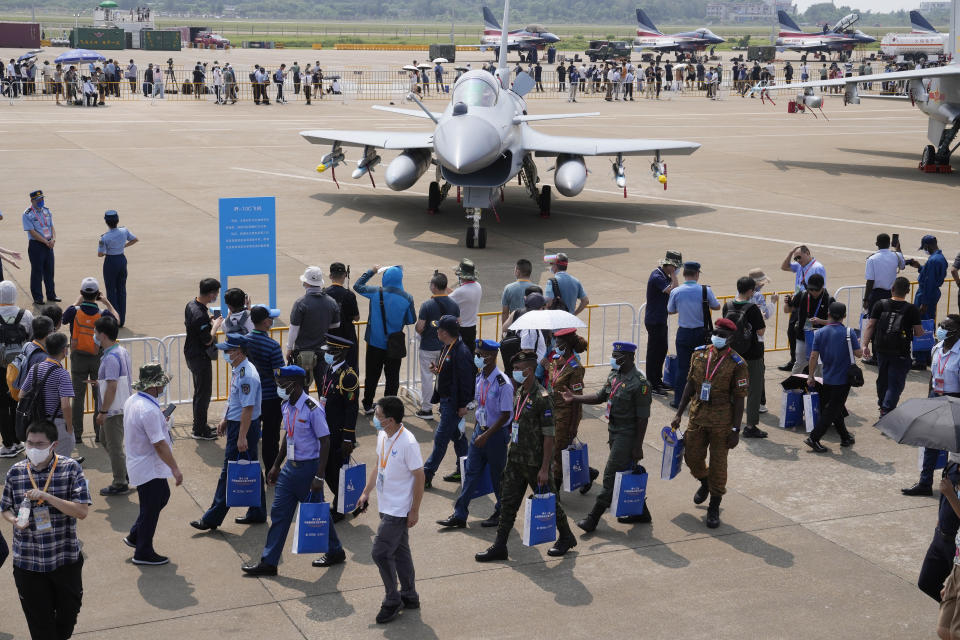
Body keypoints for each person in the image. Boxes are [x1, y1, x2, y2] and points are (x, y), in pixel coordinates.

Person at [242, 365, 346, 575]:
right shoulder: (286, 405)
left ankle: (335, 550)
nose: (279, 387)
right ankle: (269, 562)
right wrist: (276, 465)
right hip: (290, 469)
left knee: (316, 514)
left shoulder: (312, 408)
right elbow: (287, 437)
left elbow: (325, 442)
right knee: (279, 514)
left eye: (282, 384)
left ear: (295, 385)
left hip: (309, 470)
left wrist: (319, 475)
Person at [475, 351, 577, 561]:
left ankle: (566, 536)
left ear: (529, 370)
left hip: (535, 462)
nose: (515, 372)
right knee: (508, 502)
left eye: (518, 369)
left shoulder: (542, 398)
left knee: (550, 501)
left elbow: (549, 436)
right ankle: (500, 545)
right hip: (516, 460)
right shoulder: (520, 391)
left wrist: (544, 468)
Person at [1, 420, 91, 640]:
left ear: (53, 445)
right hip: (28, 564)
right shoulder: (16, 473)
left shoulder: (70, 469)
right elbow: (5, 507)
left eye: (40, 444)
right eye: (30, 443)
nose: (33, 448)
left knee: (67, 617)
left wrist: (47, 497)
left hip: (64, 560)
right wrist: (14, 520)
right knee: (40, 626)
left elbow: (81, 511)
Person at [565, 341, 653, 532]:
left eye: (618, 357)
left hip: (627, 435)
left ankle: (593, 518)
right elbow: (599, 396)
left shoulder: (640, 384)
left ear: (629, 358)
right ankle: (642, 512)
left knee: (611, 475)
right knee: (624, 471)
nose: (614, 360)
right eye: (614, 356)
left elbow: (642, 419)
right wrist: (575, 398)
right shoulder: (615, 375)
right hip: (613, 431)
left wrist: (638, 446)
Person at [353, 396, 425, 624]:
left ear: (390, 420)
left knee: (381, 553)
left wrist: (414, 510)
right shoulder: (383, 435)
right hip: (386, 505)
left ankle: (392, 600)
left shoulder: (408, 443)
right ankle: (409, 595)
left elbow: (420, 478)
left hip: (398, 509)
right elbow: (378, 465)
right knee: (401, 551)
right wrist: (366, 492)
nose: (375, 419)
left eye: (378, 416)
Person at [190, 334, 268, 531]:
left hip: (244, 427)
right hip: (238, 424)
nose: (225, 354)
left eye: (228, 350)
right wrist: (225, 418)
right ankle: (257, 511)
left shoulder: (246, 376)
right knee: (251, 467)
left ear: (239, 352)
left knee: (229, 471)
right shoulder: (239, 369)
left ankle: (212, 518)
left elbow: (248, 408)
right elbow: (236, 401)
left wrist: (241, 436)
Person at [437, 340, 513, 529]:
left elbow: (505, 415)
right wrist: (478, 430)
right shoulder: (480, 378)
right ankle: (459, 514)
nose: (476, 358)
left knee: (497, 478)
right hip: (480, 432)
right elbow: (481, 406)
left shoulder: (504, 383)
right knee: (470, 474)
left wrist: (486, 436)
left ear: (491, 356)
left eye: (479, 355)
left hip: (495, 436)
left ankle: (501, 512)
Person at [123, 363, 182, 565]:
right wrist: (175, 468)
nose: (163, 388)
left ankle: (135, 536)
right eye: (161, 384)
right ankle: (143, 551)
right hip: (148, 466)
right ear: (154, 386)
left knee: (159, 498)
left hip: (141, 462)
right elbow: (159, 444)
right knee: (151, 507)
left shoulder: (134, 400)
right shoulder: (148, 410)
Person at [903, 315, 960, 497]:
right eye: (940, 325)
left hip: (954, 400)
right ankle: (925, 483)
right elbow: (933, 376)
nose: (941, 329)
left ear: (956, 332)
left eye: (946, 327)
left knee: (955, 447)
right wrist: (929, 398)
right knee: (930, 442)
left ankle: (954, 486)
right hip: (935, 396)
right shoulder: (936, 348)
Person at [353, 265, 416, 415]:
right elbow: (411, 319)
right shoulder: (407, 297)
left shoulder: (376, 292)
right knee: (392, 377)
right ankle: (389, 409)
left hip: (375, 343)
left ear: (385, 278)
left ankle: (368, 405)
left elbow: (357, 286)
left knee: (372, 376)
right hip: (394, 345)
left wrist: (371, 271)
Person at [63, 278, 117, 441]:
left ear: (81, 293)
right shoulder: (103, 314)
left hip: (78, 356)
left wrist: (77, 301)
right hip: (97, 357)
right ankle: (98, 433)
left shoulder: (75, 311)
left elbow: (64, 317)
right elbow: (117, 320)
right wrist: (107, 303)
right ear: (97, 294)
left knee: (78, 397)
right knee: (98, 395)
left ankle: (77, 434)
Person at [423, 315, 474, 487]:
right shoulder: (448, 346)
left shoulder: (461, 352)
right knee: (458, 438)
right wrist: (437, 370)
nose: (436, 331)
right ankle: (464, 470)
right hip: (446, 401)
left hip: (453, 403)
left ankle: (427, 474)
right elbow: (451, 373)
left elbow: (466, 381)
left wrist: (462, 405)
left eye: (438, 328)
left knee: (440, 440)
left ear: (444, 332)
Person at [861, 277, 923, 417]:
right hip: (901, 352)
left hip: (881, 348)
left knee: (882, 379)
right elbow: (919, 333)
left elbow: (870, 325)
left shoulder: (880, 304)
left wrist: (865, 345)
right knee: (895, 383)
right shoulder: (911, 309)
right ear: (908, 291)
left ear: (892, 289)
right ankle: (886, 410)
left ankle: (882, 404)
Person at [544, 328, 597, 491]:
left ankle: (555, 493)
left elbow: (577, 399)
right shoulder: (557, 361)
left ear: (566, 345)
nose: (555, 346)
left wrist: (573, 426)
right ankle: (588, 474)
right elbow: (553, 383)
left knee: (559, 454)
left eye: (558, 343)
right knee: (559, 450)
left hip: (566, 416)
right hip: (553, 412)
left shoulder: (575, 368)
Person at [805, 302, 860, 453]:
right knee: (833, 409)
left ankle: (845, 437)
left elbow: (813, 357)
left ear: (828, 314)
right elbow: (859, 353)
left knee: (836, 408)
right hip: (843, 379)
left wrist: (810, 376)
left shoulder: (820, 333)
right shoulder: (849, 332)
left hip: (827, 378)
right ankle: (814, 438)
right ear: (844, 316)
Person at [316, 334, 359, 521]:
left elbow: (352, 408)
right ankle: (348, 501)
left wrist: (348, 437)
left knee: (337, 471)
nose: (328, 355)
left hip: (340, 432)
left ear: (341, 353)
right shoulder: (328, 369)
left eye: (331, 352)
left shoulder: (348, 377)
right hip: (326, 428)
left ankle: (342, 507)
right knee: (328, 469)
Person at [667, 262, 721, 409]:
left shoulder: (676, 291)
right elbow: (717, 306)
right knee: (704, 368)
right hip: (701, 334)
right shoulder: (705, 290)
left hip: (684, 333)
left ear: (684, 274)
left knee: (683, 367)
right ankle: (702, 400)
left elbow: (670, 310)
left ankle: (679, 400)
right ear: (697, 274)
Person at [20, 333, 79, 462]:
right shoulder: (62, 374)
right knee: (60, 463)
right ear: (64, 350)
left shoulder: (35, 369)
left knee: (38, 463)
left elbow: (21, 395)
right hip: (56, 424)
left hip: (36, 423)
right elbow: (65, 405)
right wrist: (69, 427)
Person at [722, 276, 767, 438]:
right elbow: (761, 331)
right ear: (749, 291)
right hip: (753, 354)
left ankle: (731, 421)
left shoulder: (727, 306)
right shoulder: (753, 308)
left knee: (734, 388)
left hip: (733, 353)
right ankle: (750, 425)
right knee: (754, 389)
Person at [94, 316, 133, 496]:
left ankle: (120, 482)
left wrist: (103, 411)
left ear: (102, 335)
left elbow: (112, 385)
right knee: (105, 440)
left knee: (115, 446)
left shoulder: (110, 357)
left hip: (113, 410)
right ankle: (123, 472)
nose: (94, 335)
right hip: (120, 406)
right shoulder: (120, 351)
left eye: (95, 332)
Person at [287, 266, 341, 388]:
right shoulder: (331, 302)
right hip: (322, 352)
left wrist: (289, 348)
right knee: (324, 388)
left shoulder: (300, 303)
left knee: (302, 387)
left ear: (306, 282)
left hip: (303, 352)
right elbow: (336, 324)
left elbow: (294, 329)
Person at [414, 271, 459, 420]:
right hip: (447, 347)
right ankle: (444, 407)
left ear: (434, 286)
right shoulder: (454, 305)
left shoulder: (427, 305)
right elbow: (459, 324)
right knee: (446, 377)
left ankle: (426, 409)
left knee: (427, 378)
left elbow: (420, 327)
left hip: (428, 346)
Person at [246, 305, 285, 471]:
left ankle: (248, 471)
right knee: (270, 437)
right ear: (266, 321)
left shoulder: (244, 341)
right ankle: (271, 471)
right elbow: (279, 373)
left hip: (249, 396)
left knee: (249, 435)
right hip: (270, 398)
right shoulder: (273, 346)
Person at [917, 451, 960, 601]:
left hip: (957, 545)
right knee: (927, 582)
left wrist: (950, 494)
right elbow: (944, 500)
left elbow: (948, 496)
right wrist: (938, 526)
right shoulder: (953, 464)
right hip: (941, 536)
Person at [183, 278, 222, 441]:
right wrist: (215, 326)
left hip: (192, 354)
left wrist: (209, 321)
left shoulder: (192, 305)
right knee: (203, 393)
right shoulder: (200, 314)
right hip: (199, 357)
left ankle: (200, 424)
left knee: (200, 392)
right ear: (211, 293)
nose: (217, 296)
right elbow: (207, 340)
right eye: (216, 293)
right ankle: (199, 430)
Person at [779, 245, 826, 370]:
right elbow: (784, 267)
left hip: (810, 305)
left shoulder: (817, 267)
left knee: (806, 333)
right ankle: (794, 359)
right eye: (796, 258)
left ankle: (807, 362)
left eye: (799, 257)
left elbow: (822, 288)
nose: (798, 260)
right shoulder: (800, 266)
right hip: (798, 302)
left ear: (807, 253)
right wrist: (790, 253)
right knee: (792, 332)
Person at [0, 281, 32, 457]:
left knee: (2, 407)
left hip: (0, 368)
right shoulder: (25, 315)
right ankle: (19, 439)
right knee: (17, 403)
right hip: (20, 367)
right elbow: (33, 337)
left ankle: (8, 443)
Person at [907, 235, 948, 370]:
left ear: (927, 246)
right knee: (929, 324)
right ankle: (928, 355)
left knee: (921, 325)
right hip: (931, 294)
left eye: (924, 248)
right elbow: (930, 276)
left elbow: (929, 282)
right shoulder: (940, 258)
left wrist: (924, 302)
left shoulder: (934, 260)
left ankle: (920, 360)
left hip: (925, 295)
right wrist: (919, 267)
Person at [863, 233, 905, 363]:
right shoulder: (896, 255)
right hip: (892, 294)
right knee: (891, 323)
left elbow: (870, 281)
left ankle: (876, 356)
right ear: (889, 243)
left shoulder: (872, 259)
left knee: (874, 325)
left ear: (877, 244)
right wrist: (898, 249)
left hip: (877, 295)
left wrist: (866, 299)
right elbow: (902, 265)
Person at [645, 250, 682, 395]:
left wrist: (672, 274)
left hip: (660, 319)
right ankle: (652, 383)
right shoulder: (657, 276)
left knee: (661, 349)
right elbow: (674, 291)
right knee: (654, 351)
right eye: (676, 266)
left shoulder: (663, 275)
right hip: (654, 320)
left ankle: (657, 380)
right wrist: (673, 275)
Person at [783, 273, 832, 376]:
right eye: (811, 289)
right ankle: (793, 387)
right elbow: (787, 310)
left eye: (816, 290)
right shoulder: (802, 295)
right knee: (800, 363)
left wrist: (820, 321)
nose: (813, 292)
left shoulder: (828, 299)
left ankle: (818, 389)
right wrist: (787, 302)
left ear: (822, 287)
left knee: (819, 366)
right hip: (803, 335)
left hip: (821, 337)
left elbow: (835, 322)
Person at [97, 210, 137, 328]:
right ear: (117, 220)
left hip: (111, 262)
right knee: (121, 290)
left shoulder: (105, 237)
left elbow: (100, 254)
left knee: (111, 291)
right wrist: (123, 246)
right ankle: (122, 319)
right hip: (121, 260)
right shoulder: (124, 231)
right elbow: (135, 239)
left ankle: (114, 318)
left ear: (106, 222)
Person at [22, 190, 59, 306]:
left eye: (42, 199)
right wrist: (45, 241)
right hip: (37, 245)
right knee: (37, 272)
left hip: (49, 244)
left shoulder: (46, 211)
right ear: (32, 200)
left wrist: (53, 239)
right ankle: (38, 297)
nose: (41, 201)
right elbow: (32, 232)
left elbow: (52, 227)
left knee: (49, 270)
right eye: (38, 200)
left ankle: (51, 295)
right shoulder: (27, 214)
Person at [324, 262, 360, 370]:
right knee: (350, 370)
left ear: (330, 276)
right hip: (348, 338)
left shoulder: (324, 293)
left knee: (330, 369)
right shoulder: (349, 294)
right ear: (345, 275)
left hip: (329, 338)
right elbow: (356, 317)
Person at [449, 259, 482, 348]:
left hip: (461, 329)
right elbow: (458, 295)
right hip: (472, 328)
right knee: (469, 354)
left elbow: (447, 299)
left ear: (461, 276)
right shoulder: (478, 286)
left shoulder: (460, 292)